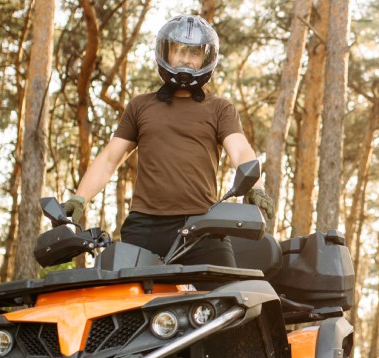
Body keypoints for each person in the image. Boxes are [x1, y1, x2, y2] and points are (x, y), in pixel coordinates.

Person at [61, 14, 273, 267]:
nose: (186, 58)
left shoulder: (220, 108)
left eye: (194, 53)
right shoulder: (140, 106)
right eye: (179, 50)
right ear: (166, 52)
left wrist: (256, 187)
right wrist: (79, 198)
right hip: (143, 226)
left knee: (231, 295)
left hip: (203, 226)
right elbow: (110, 159)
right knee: (124, 302)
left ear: (206, 58)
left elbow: (240, 151)